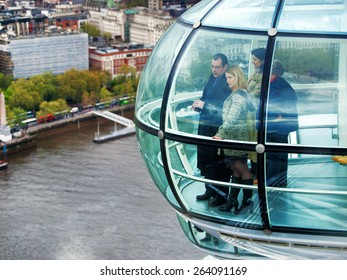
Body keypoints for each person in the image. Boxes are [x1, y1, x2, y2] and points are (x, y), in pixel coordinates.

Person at [213, 65, 255, 214]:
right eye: (226, 78)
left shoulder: (238, 97)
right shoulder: (242, 94)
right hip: (235, 137)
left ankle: (247, 202)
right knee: (236, 169)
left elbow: (231, 119)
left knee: (242, 169)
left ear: (237, 77)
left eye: (230, 78)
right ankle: (233, 201)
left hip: (235, 137)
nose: (228, 81)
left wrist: (220, 134)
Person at [193, 53, 232, 208]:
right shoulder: (212, 78)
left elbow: (224, 107)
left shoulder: (228, 83)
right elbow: (206, 97)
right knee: (207, 161)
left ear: (225, 67)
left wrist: (206, 106)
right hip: (205, 126)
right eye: (212, 66)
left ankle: (221, 195)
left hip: (217, 129)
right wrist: (199, 103)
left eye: (217, 67)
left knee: (218, 163)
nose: (214, 70)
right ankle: (209, 190)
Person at [264, 59, 298, 187]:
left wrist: (280, 116)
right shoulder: (279, 85)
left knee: (275, 156)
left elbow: (284, 106)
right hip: (278, 126)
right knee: (278, 155)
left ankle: (272, 183)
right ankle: (279, 182)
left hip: (278, 127)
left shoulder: (280, 87)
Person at [247, 47, 266, 184]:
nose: (253, 62)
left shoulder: (262, 76)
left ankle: (258, 174)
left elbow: (255, 95)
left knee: (255, 143)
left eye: (255, 59)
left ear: (263, 60)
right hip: (250, 114)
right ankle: (254, 171)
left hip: (255, 115)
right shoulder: (256, 73)